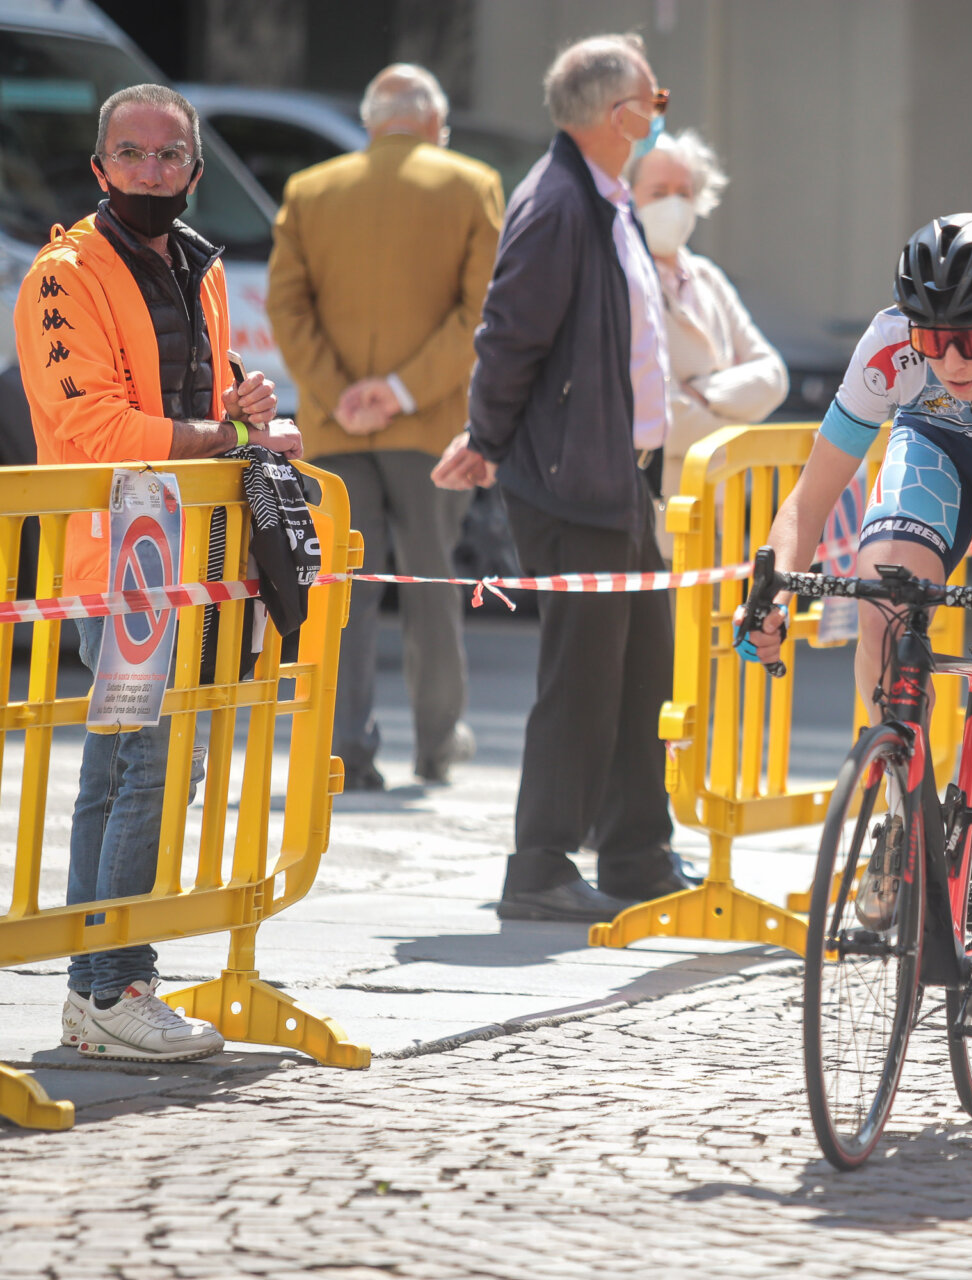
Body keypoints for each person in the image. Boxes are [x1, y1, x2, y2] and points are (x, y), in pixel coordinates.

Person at [732, 214, 972, 1028]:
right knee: (884, 599)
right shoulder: (887, 349)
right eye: (933, 339)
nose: (949, 362)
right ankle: (898, 816)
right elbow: (809, 502)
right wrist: (764, 593)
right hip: (935, 452)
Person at [12, 84, 299, 1060]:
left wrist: (244, 409)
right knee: (142, 769)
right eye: (129, 155)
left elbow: (192, 396)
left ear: (195, 169)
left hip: (191, 559)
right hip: (121, 561)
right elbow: (89, 424)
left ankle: (97, 987)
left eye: (168, 156)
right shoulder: (63, 273)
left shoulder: (197, 266)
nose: (148, 171)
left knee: (133, 769)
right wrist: (226, 430)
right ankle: (113, 982)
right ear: (98, 169)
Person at [432, 34, 687, 920]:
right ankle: (539, 864)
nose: (660, 119)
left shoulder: (603, 199)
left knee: (643, 665)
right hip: (572, 478)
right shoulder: (558, 202)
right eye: (654, 105)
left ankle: (635, 852)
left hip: (620, 478)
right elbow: (510, 336)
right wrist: (488, 436)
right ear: (619, 116)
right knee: (582, 676)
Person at [267, 65, 503, 792]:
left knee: (343, 589)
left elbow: (286, 308)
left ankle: (344, 752)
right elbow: (484, 312)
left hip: (333, 430)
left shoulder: (311, 191)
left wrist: (342, 396)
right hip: (430, 426)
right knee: (431, 583)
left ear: (372, 124)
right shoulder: (471, 184)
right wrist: (400, 390)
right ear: (433, 123)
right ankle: (435, 745)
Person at [624, 129, 788, 510]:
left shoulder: (708, 277)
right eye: (659, 193)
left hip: (726, 509)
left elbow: (773, 375)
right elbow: (657, 412)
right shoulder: (621, 281)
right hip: (659, 509)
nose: (674, 205)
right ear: (628, 197)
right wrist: (742, 430)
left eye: (684, 193)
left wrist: (702, 392)